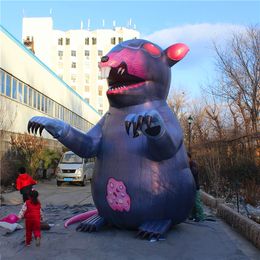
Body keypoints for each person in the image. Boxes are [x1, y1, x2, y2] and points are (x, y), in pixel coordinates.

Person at [188, 152, 205, 222]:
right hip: (190, 187)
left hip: (195, 187)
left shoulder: (193, 165)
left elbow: (194, 172)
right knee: (192, 203)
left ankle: (201, 216)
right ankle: (193, 215)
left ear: (189, 158)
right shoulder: (187, 165)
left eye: (187, 157)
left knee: (197, 202)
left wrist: (188, 170)